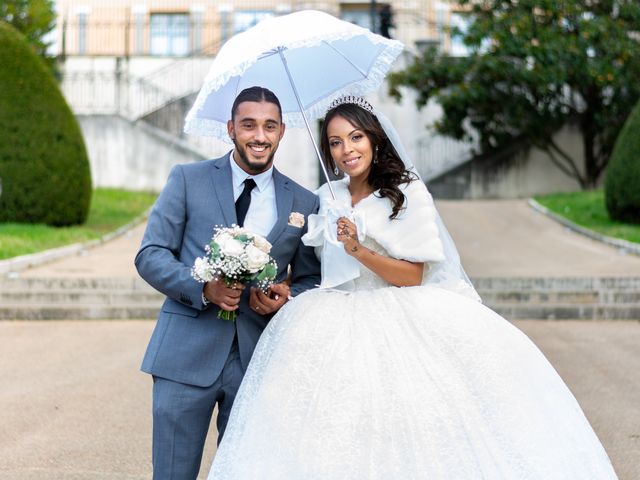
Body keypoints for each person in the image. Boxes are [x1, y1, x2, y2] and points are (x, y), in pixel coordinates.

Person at [206, 96, 618, 479]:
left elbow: (413, 275)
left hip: (396, 317)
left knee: (407, 421)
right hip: (328, 318)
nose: (346, 150)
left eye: (355, 137)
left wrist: (359, 249)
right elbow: (318, 268)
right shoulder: (325, 197)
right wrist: (287, 290)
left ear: (374, 139)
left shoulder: (406, 193)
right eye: (334, 142)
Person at [135, 86, 321, 480]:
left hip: (257, 361)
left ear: (282, 131)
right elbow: (150, 255)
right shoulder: (188, 179)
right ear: (230, 129)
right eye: (249, 125)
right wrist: (204, 288)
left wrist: (286, 298)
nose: (260, 136)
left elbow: (310, 279)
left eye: (270, 126)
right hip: (184, 356)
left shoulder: (304, 202)